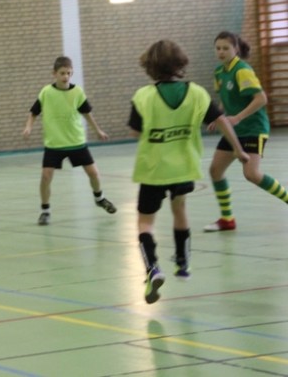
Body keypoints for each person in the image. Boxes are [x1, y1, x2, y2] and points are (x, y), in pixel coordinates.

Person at [129, 40, 249, 304]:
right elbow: (221, 121)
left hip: (153, 170)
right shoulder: (197, 93)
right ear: (180, 63)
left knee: (145, 223)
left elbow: (135, 132)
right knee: (179, 209)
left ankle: (152, 268)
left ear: (150, 66)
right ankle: (183, 263)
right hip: (184, 168)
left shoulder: (143, 97)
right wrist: (238, 149)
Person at [204, 31, 288, 232]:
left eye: (226, 48)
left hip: (253, 128)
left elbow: (261, 99)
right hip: (234, 130)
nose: (221, 52)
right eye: (218, 48)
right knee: (215, 171)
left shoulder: (242, 70)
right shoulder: (219, 72)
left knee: (251, 174)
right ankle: (227, 219)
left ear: (236, 49)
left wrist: (238, 117)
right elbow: (225, 99)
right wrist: (219, 117)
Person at [23, 56, 116, 226]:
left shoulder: (77, 92)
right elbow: (34, 112)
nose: (65, 76)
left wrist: (98, 130)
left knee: (94, 173)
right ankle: (45, 211)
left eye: (68, 73)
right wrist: (28, 127)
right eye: (62, 73)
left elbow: (87, 113)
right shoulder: (46, 92)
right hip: (54, 144)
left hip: (76, 142)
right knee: (46, 177)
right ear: (54, 74)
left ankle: (99, 198)